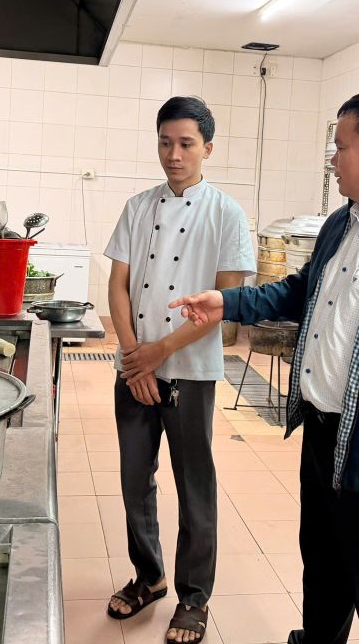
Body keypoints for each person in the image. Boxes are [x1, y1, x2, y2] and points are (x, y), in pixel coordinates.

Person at [170, 88, 359, 644]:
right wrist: (228, 304)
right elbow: (301, 292)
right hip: (321, 431)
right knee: (325, 565)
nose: (332, 160)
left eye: (340, 147)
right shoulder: (344, 224)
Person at [103, 95, 255, 643]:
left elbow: (227, 302)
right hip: (135, 367)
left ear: (207, 148)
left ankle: (195, 597)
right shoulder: (138, 206)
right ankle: (149, 577)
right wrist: (133, 355)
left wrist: (160, 350)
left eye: (186, 143)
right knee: (133, 481)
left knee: (195, 487)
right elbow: (118, 285)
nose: (173, 154)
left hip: (189, 370)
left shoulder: (227, 214)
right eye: (165, 142)